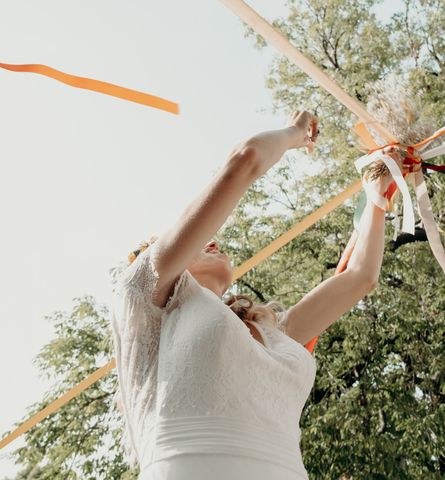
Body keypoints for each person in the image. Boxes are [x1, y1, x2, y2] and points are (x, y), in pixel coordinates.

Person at [111, 111, 403, 479]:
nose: (213, 240)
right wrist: (296, 133)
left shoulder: (272, 334)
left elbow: (361, 277)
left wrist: (376, 194)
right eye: (197, 241)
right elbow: (245, 160)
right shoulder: (144, 299)